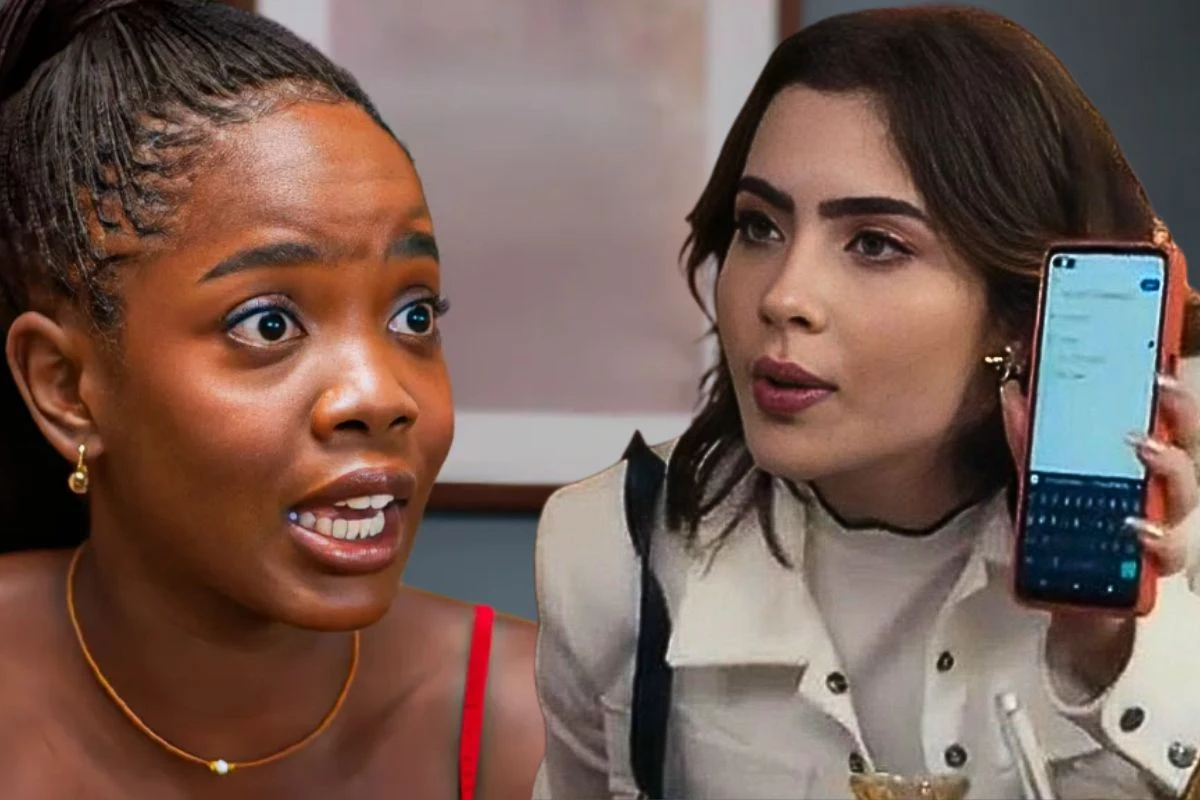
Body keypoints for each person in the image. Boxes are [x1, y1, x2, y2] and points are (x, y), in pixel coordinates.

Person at [532, 6, 1200, 799]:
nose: (783, 297)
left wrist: (1107, 644)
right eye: (759, 227)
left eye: (875, 243)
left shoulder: (1171, 541)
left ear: (1020, 311)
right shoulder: (611, 551)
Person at [0, 1, 543, 797]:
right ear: (67, 388)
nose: (380, 395)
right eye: (268, 323)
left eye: (414, 316)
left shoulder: (539, 723)